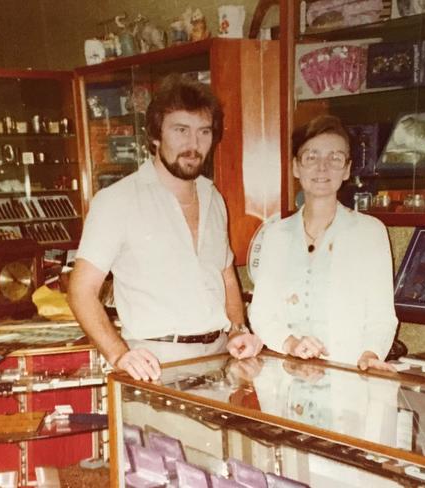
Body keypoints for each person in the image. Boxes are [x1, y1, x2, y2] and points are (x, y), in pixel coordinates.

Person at [68, 74, 262, 382]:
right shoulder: (117, 200)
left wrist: (238, 329)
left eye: (203, 132)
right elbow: (81, 290)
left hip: (220, 361)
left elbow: (225, 276)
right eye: (180, 130)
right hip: (156, 366)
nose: (193, 145)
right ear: (156, 136)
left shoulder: (213, 198)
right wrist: (118, 354)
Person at [248, 115, 398, 371]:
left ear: (347, 169)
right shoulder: (276, 235)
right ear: (296, 166)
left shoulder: (370, 232)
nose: (322, 168)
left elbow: (382, 316)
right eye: (311, 157)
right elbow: (261, 313)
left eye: (335, 158)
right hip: (288, 376)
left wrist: (370, 354)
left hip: (348, 376)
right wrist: (290, 343)